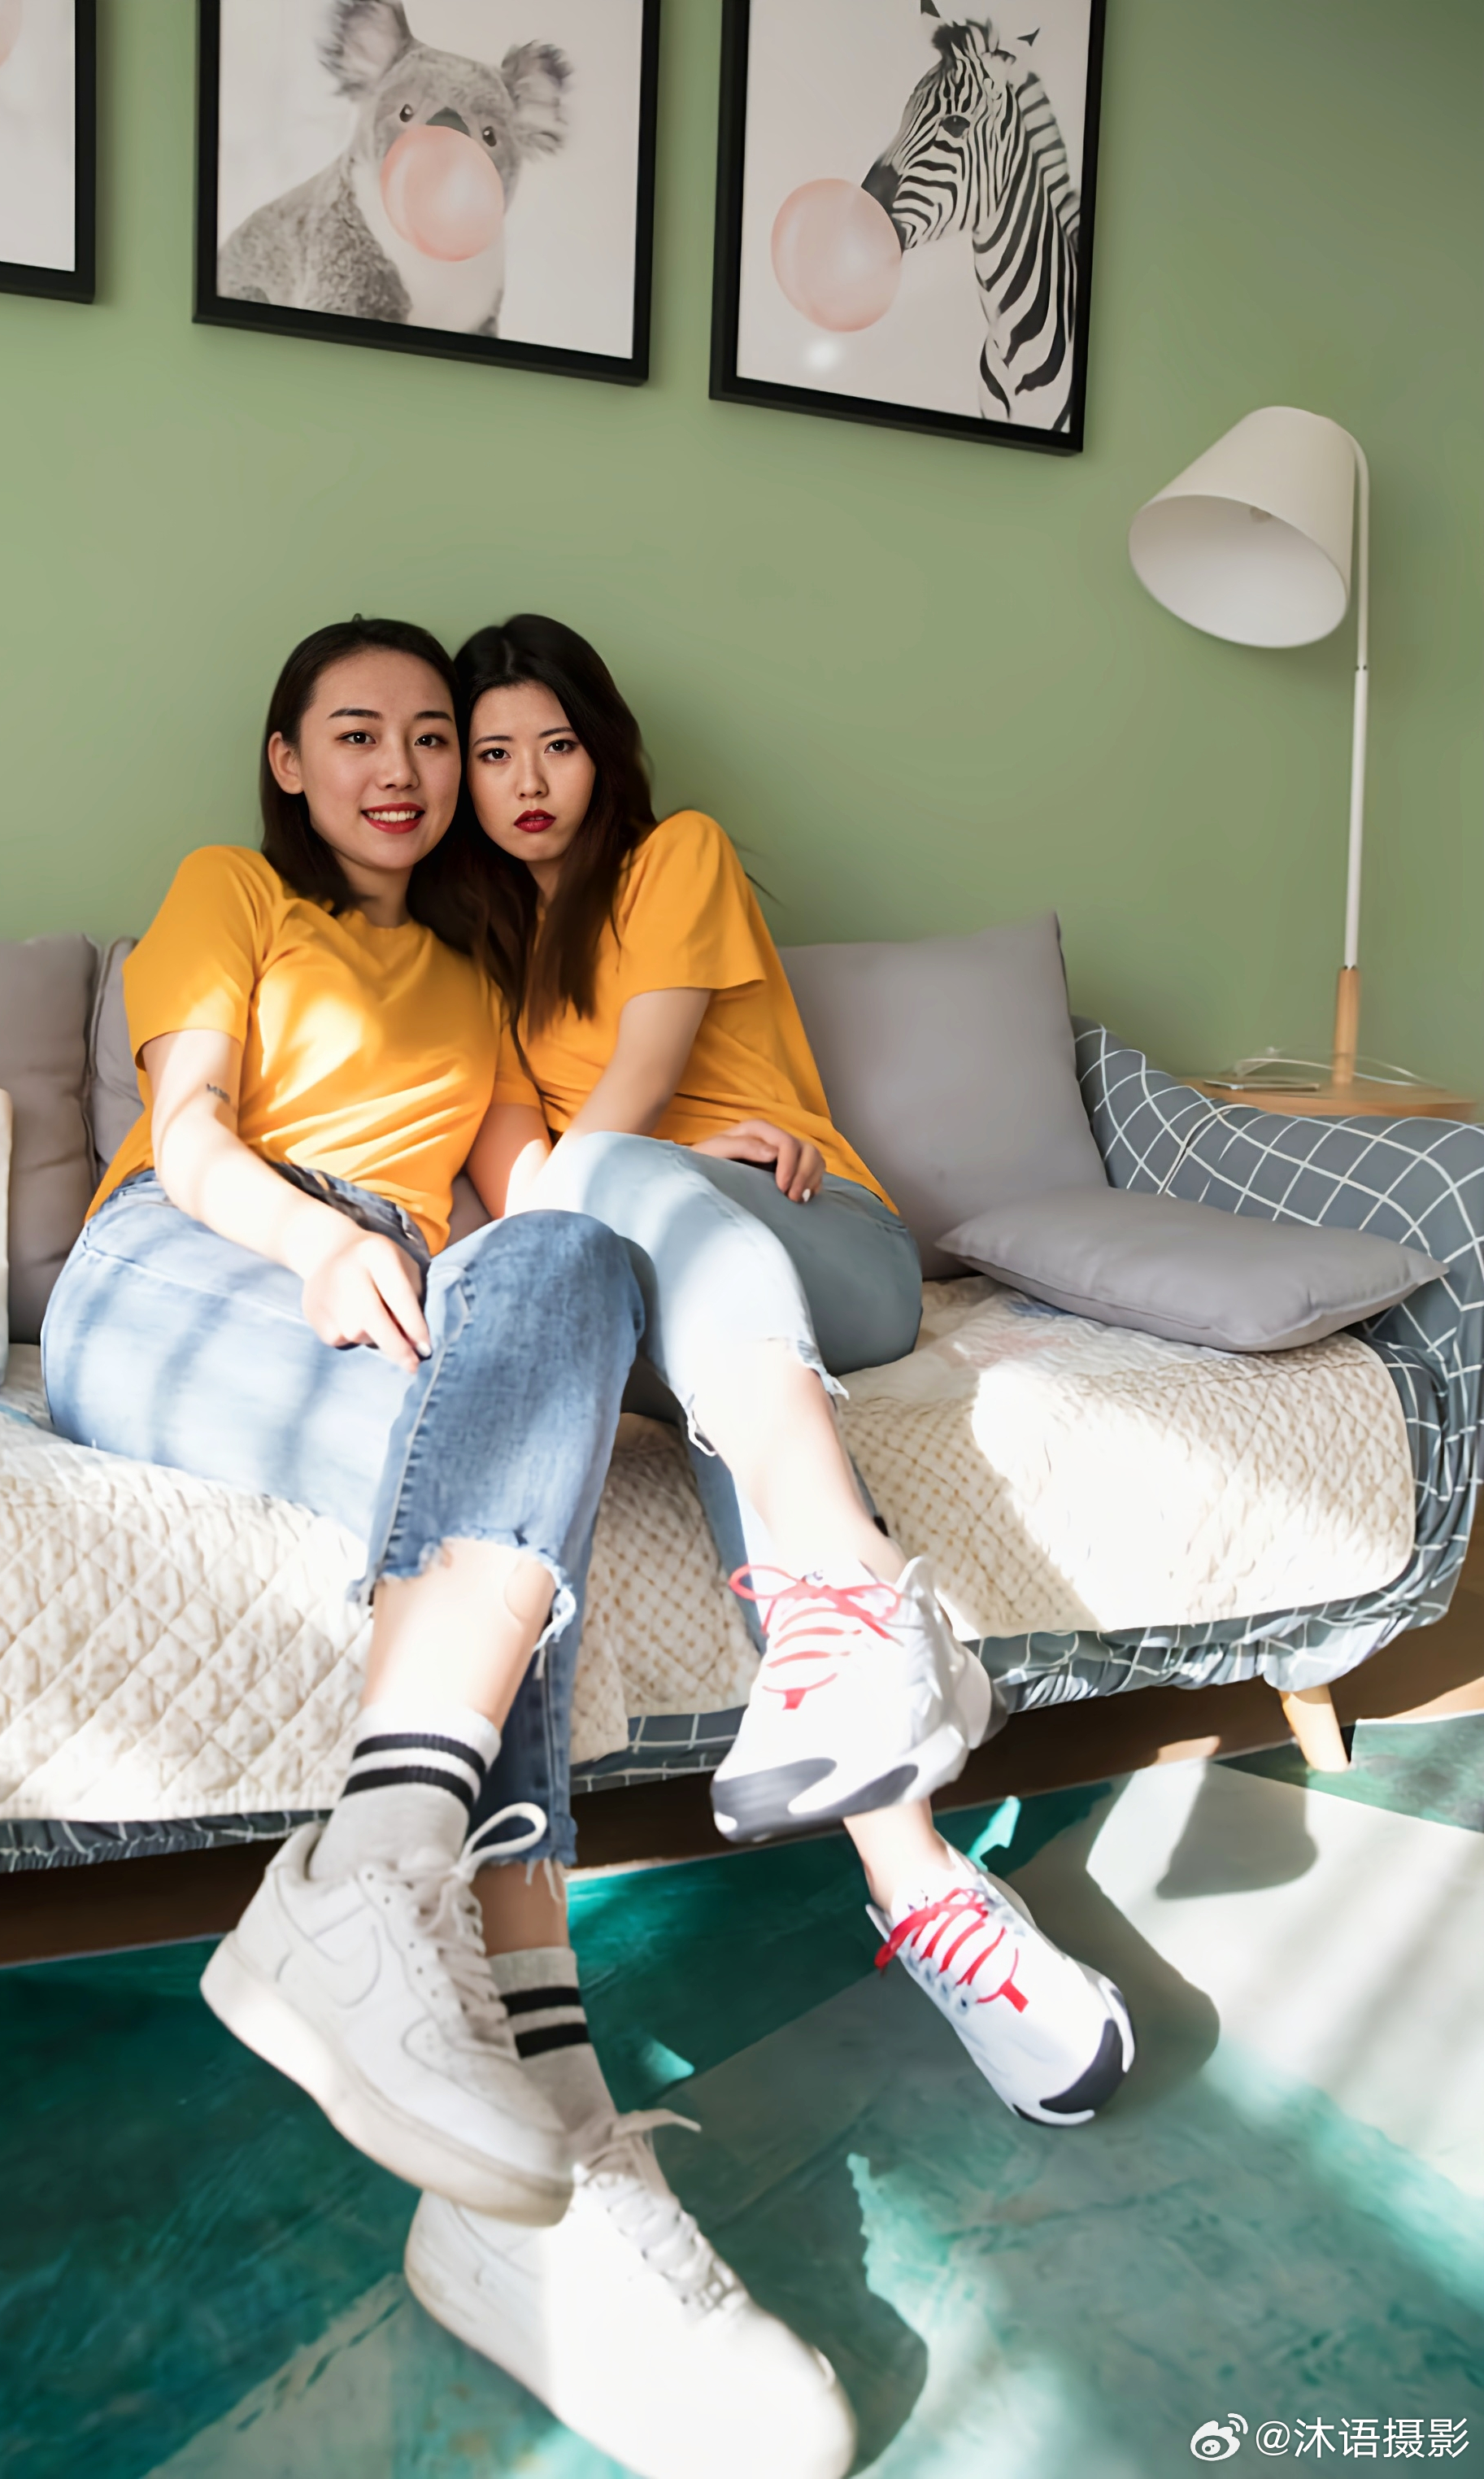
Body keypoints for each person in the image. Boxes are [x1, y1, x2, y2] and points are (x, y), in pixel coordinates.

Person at [41, 616, 857, 2479]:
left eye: (432, 736)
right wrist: (318, 1243)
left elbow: (538, 1203)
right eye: (357, 732)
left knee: (546, 1343)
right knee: (511, 1449)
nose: (402, 768)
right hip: (193, 1262)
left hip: (405, 1288)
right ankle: (551, 2139)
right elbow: (186, 1131)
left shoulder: (486, 976)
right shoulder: (233, 892)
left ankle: (386, 1884)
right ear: (287, 760)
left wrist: (704, 1179)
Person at [450, 612, 1134, 2137]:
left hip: (826, 1244)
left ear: (605, 754)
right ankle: (920, 1869)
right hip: (676, 1293)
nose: (528, 781)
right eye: (493, 755)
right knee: (689, 1354)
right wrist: (649, 1169)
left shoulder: (675, 857)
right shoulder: (474, 970)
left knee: (641, 1222)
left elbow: (620, 1110)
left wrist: (664, 1160)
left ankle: (866, 1637)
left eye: (556, 745)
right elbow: (528, 1199)